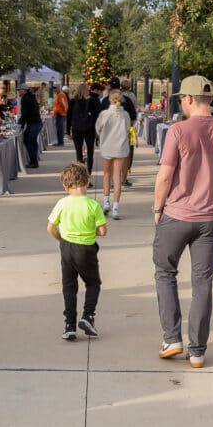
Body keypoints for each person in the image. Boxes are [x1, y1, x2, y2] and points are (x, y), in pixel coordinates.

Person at [152, 75, 213, 368]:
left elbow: (165, 175)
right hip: (211, 219)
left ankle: (172, 337)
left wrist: (157, 208)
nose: (181, 103)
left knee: (165, 272)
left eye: (181, 98)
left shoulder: (177, 131)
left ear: (188, 99)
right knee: (203, 283)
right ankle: (198, 351)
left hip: (177, 214)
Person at [47, 162, 107, 341]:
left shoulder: (62, 203)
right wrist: (92, 231)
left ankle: (69, 325)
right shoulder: (93, 205)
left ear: (65, 186)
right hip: (86, 249)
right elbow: (103, 231)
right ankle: (88, 316)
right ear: (87, 181)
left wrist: (61, 238)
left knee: (69, 286)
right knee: (93, 283)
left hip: (66, 248)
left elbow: (50, 227)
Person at [95, 89, 132, 219]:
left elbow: (98, 128)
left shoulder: (104, 114)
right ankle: (116, 207)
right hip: (120, 148)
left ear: (109, 99)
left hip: (107, 147)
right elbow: (128, 129)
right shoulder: (125, 115)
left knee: (106, 174)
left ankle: (106, 202)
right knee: (117, 177)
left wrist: (103, 137)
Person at [68, 83, 100, 176]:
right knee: (90, 152)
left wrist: (67, 131)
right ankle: (88, 175)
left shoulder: (73, 101)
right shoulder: (93, 100)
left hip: (76, 129)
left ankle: (81, 175)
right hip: (89, 129)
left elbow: (69, 117)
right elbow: (97, 116)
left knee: (79, 153)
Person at [18, 86, 43, 169]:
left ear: (24, 90)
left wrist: (21, 124)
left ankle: (34, 162)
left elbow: (24, 113)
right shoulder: (31, 97)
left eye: (20, 90)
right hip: (36, 122)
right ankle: (34, 160)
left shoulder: (25, 99)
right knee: (32, 141)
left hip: (33, 123)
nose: (18, 91)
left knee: (28, 140)